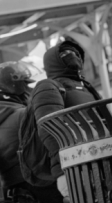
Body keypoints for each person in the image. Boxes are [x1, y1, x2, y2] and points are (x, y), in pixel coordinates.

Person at [0, 60, 73, 203]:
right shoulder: (22, 115)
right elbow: (45, 145)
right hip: (35, 181)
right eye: (26, 84)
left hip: (11, 186)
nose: (29, 88)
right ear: (17, 86)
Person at [30, 37, 107, 194]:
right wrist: (65, 164)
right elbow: (49, 129)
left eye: (75, 53)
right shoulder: (48, 86)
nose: (72, 56)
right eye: (65, 53)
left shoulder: (86, 87)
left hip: (98, 158)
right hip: (72, 167)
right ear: (53, 61)